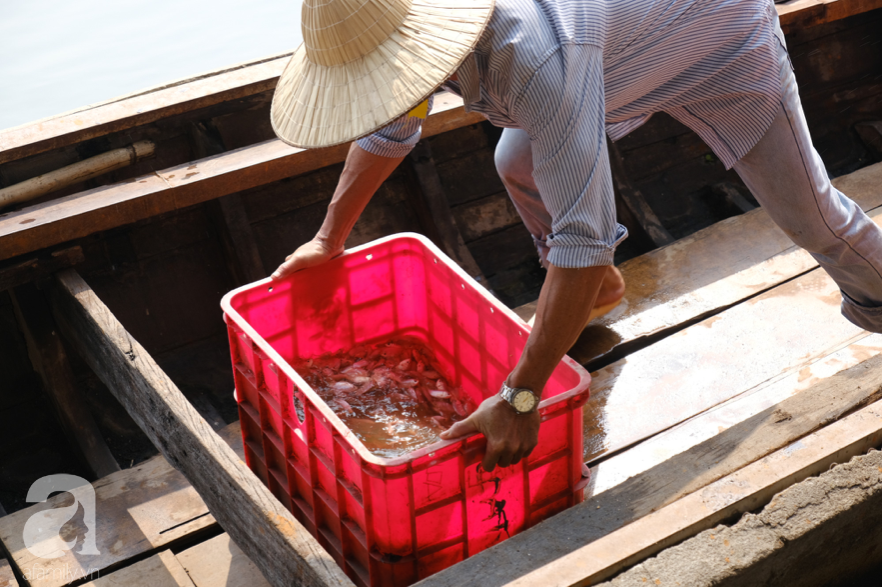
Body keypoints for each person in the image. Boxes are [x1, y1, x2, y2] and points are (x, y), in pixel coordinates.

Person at [268, 0, 882, 472]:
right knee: (519, 162)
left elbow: (583, 239)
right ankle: (598, 292)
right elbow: (391, 128)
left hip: (720, 36)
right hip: (617, 42)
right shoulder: (421, 33)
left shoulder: (534, 61)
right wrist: (329, 239)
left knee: (815, 220)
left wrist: (520, 398)